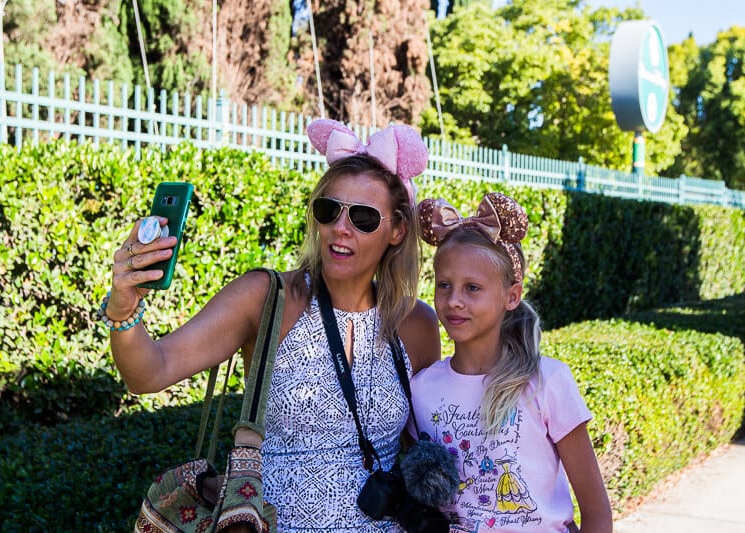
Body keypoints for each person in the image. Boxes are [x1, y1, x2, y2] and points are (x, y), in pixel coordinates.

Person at [99, 118, 441, 532]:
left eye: (364, 218)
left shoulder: (416, 324)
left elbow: (428, 446)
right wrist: (124, 307)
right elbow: (148, 373)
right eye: (328, 209)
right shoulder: (268, 298)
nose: (340, 228)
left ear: (398, 230)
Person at [410, 193, 613, 533]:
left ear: (511, 296)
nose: (454, 300)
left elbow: (596, 510)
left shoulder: (546, 380)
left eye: (472, 288)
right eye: (444, 285)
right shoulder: (421, 389)